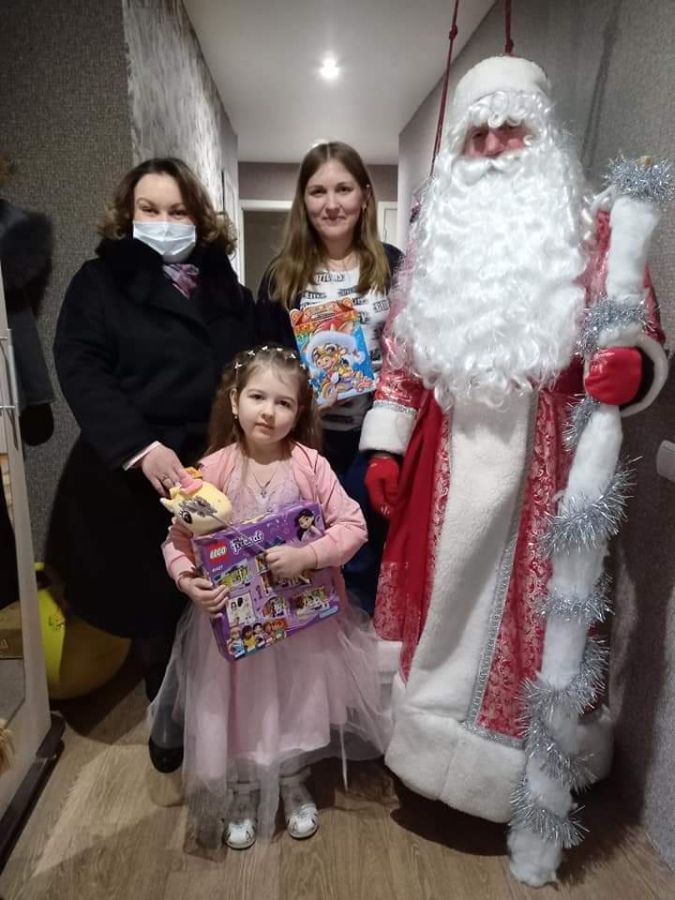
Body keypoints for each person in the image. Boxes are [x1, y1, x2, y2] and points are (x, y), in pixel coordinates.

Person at [361, 56, 667, 861]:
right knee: (439, 607)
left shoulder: (591, 230)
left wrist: (633, 368)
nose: (494, 145)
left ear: (543, 137)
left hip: (548, 469)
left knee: (534, 623)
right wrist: (386, 443)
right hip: (446, 465)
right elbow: (401, 353)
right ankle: (426, 754)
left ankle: (512, 779)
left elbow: (634, 327)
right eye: (479, 133)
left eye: (511, 128)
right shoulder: (436, 243)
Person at [48, 158, 291, 701]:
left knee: (220, 593)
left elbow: (256, 365)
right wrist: (138, 447)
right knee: (154, 602)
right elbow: (81, 366)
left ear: (198, 219)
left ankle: (224, 710)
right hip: (137, 468)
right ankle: (168, 715)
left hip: (216, 464)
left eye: (178, 211)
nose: (164, 222)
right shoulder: (99, 282)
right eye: (150, 209)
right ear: (128, 216)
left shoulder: (227, 289)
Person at [154, 345, 388, 852]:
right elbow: (178, 540)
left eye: (283, 403)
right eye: (257, 397)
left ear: (299, 411)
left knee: (296, 702)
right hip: (233, 627)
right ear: (234, 401)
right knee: (240, 709)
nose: (268, 412)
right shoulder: (210, 471)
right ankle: (242, 789)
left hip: (300, 625)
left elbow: (353, 525)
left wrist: (308, 555)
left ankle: (292, 779)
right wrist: (188, 580)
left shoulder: (309, 465)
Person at [258, 141, 402, 613]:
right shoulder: (282, 276)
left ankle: (364, 635)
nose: (332, 203)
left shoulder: (394, 265)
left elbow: (412, 355)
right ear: (303, 201)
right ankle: (321, 639)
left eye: (344, 189)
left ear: (365, 196)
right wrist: (299, 394)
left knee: (367, 552)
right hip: (308, 438)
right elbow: (265, 362)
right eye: (318, 191)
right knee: (309, 546)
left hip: (377, 438)